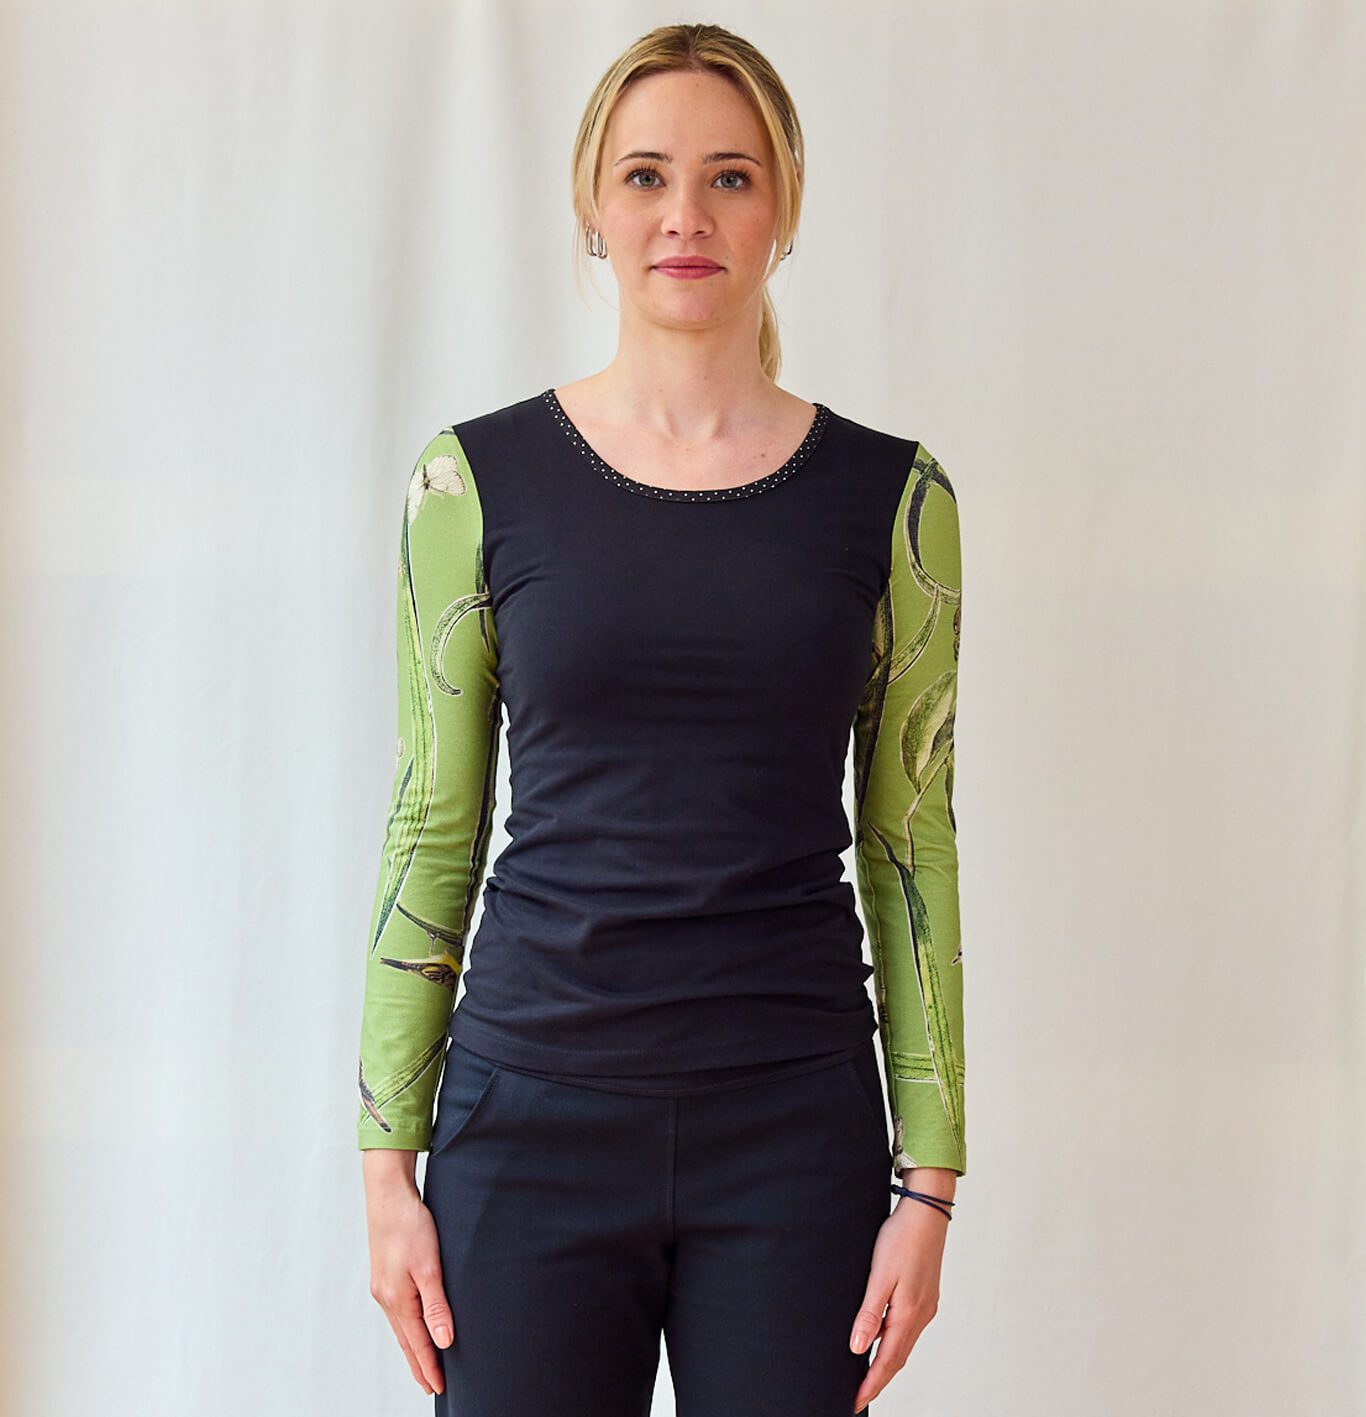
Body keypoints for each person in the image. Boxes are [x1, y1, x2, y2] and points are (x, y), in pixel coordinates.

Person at [356, 22, 965, 1417]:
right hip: (526, 1126)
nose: (685, 214)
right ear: (592, 205)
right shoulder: (471, 483)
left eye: (729, 177)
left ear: (784, 207)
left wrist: (929, 1182)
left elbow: (911, 844)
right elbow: (433, 827)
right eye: (645, 176)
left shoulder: (894, 500)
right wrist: (387, 1169)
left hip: (794, 1135)